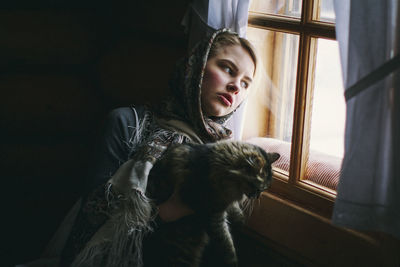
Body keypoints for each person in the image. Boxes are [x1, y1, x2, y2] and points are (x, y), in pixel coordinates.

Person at [60, 28, 257, 267]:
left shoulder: (222, 154)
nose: (236, 86)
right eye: (227, 69)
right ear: (196, 67)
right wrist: (168, 211)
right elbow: (92, 215)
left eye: (246, 83)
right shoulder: (128, 123)